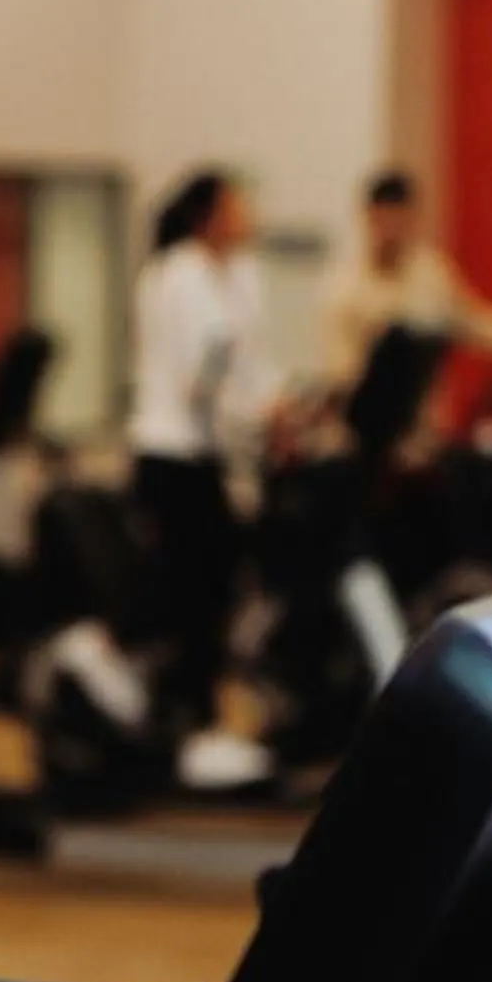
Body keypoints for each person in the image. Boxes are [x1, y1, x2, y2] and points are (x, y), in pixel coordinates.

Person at [126, 169, 276, 744]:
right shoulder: (179, 274)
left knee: (218, 588)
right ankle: (188, 715)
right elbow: (203, 376)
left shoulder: (236, 274)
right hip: (171, 453)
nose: (250, 217)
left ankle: (204, 710)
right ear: (209, 216)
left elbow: (245, 364)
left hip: (207, 455)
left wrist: (279, 402)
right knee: (189, 591)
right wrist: (259, 410)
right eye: (239, 206)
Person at [316, 168, 492, 401]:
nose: (391, 229)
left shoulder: (432, 274)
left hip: (425, 425)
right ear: (368, 216)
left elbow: (480, 325)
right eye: (383, 218)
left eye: (399, 218)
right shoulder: (344, 287)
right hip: (370, 424)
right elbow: (341, 374)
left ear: (412, 218)